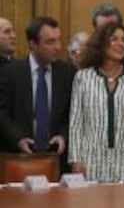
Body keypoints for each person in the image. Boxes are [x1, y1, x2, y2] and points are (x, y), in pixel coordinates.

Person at [68, 22, 124, 182]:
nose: (121, 44)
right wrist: (75, 159)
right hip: (90, 162)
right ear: (101, 43)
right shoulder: (82, 78)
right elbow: (76, 123)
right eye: (114, 39)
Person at [0, 16, 76, 169]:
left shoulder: (67, 72)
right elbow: (2, 112)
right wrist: (18, 139)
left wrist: (63, 135)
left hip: (57, 159)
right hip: (18, 158)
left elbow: (73, 112)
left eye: (58, 40)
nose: (57, 47)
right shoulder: (11, 72)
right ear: (33, 44)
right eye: (50, 42)